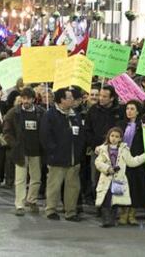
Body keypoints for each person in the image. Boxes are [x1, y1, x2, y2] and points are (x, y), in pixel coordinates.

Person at [40, 88, 85, 221]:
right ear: (61, 100)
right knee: (54, 186)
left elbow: (81, 135)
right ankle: (51, 210)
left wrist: (79, 152)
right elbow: (45, 137)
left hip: (73, 159)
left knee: (73, 187)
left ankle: (70, 212)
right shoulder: (50, 115)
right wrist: (53, 152)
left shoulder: (75, 115)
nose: (72, 100)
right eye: (69, 97)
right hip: (57, 159)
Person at [3, 87, 45, 216]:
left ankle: (31, 200)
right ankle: (19, 205)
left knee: (36, 178)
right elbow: (7, 131)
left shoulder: (41, 112)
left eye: (28, 98)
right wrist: (14, 145)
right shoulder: (13, 112)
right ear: (21, 98)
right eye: (24, 98)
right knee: (20, 179)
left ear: (33, 99)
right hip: (20, 151)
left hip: (36, 151)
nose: (26, 101)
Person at [95, 127, 145, 228]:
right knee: (106, 200)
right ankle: (106, 220)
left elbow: (132, 162)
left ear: (120, 138)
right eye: (112, 136)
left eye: (117, 137)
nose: (114, 138)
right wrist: (108, 168)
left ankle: (112, 220)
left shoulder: (124, 150)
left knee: (115, 201)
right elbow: (98, 162)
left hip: (118, 180)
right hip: (106, 179)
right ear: (108, 137)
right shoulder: (103, 149)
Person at [117, 100, 145, 225]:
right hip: (122, 161)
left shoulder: (142, 126)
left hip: (137, 160)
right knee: (123, 187)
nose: (129, 111)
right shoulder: (120, 124)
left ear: (138, 111)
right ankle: (123, 213)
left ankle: (132, 214)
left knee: (135, 188)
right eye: (127, 108)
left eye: (132, 109)